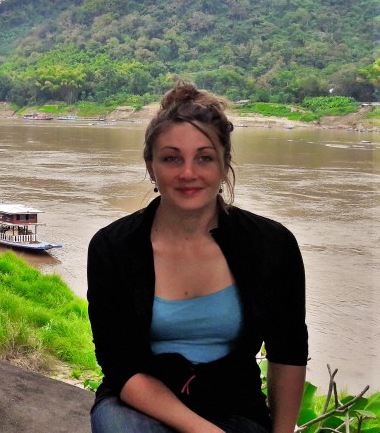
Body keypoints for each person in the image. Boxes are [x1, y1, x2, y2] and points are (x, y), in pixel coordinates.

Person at [87, 83, 308, 433]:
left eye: (204, 158)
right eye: (171, 158)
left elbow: (288, 351)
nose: (188, 173)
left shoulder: (271, 244)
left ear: (224, 165)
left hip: (234, 405)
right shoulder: (113, 248)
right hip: (139, 405)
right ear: (151, 167)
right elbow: (121, 365)